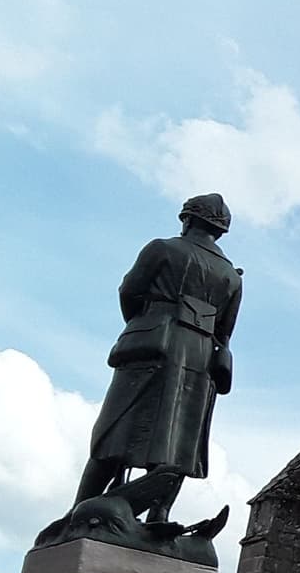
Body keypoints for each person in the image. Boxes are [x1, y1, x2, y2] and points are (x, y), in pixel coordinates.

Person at [73, 193, 243, 524]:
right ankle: (159, 514)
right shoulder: (231, 277)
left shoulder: (162, 249)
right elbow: (226, 329)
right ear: (220, 231)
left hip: (154, 344)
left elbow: (130, 292)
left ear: (187, 219)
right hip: (201, 355)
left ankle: (80, 509)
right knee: (179, 440)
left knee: (115, 429)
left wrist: (148, 319)